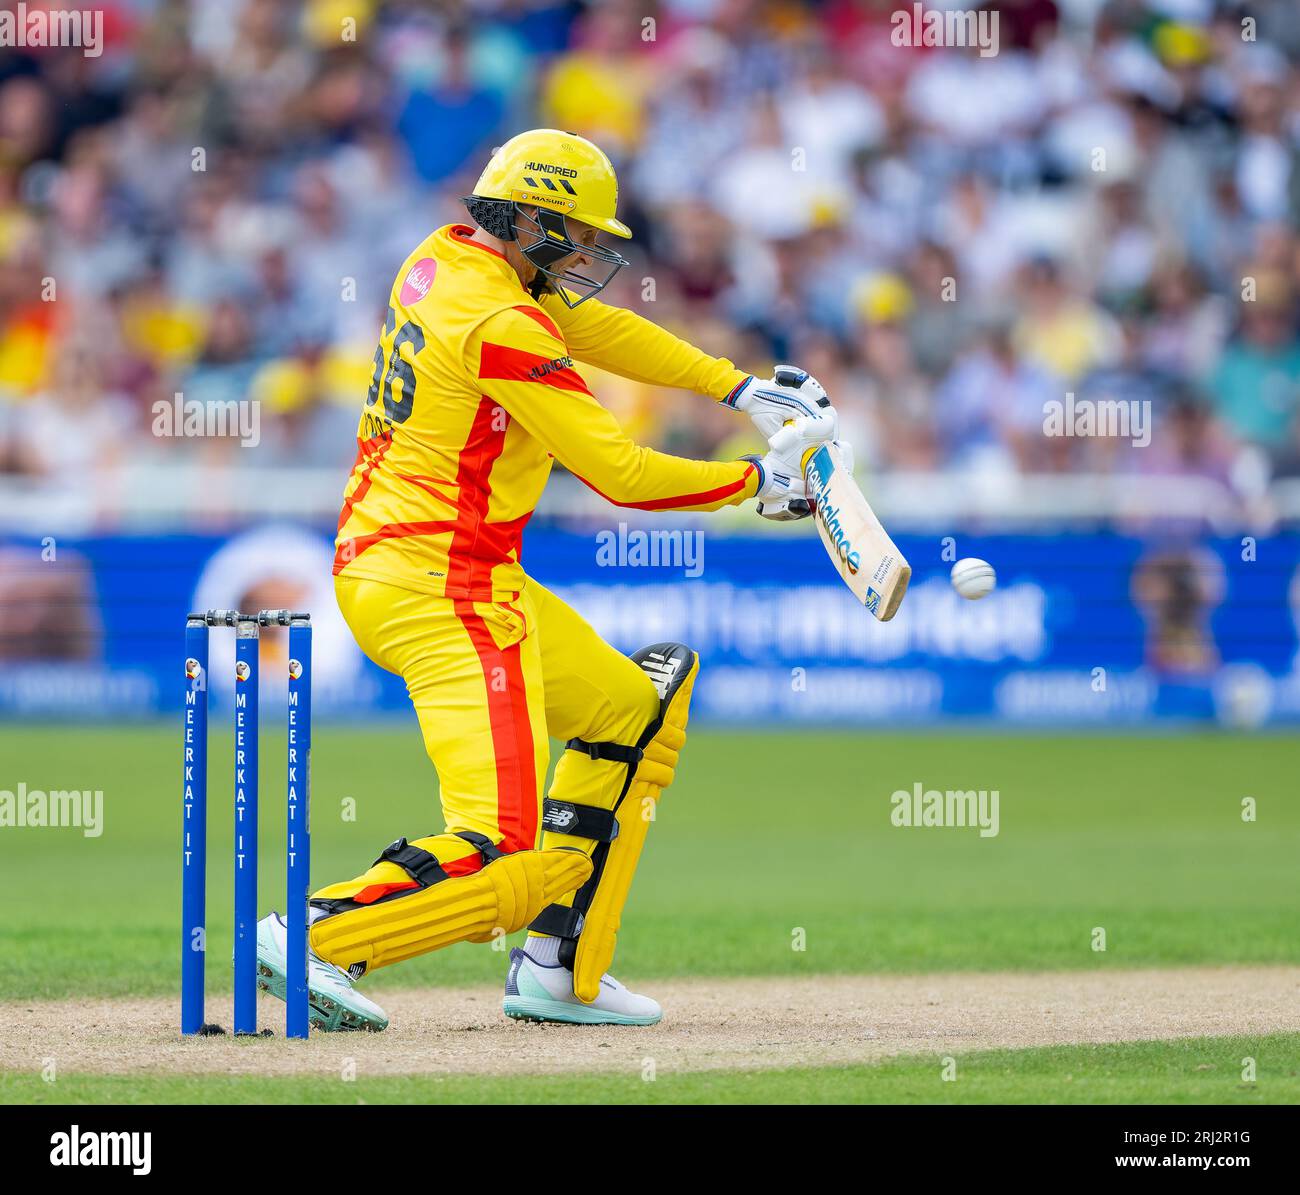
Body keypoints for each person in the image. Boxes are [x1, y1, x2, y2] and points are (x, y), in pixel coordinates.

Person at [254, 129, 839, 1029]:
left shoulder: (447, 261)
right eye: (574, 231)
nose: (590, 252)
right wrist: (759, 484)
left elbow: (592, 326)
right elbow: (621, 474)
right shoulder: (498, 323)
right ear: (525, 217)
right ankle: (316, 936)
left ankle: (560, 968)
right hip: (436, 584)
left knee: (635, 709)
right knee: (502, 844)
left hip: (438, 568)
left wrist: (736, 390)